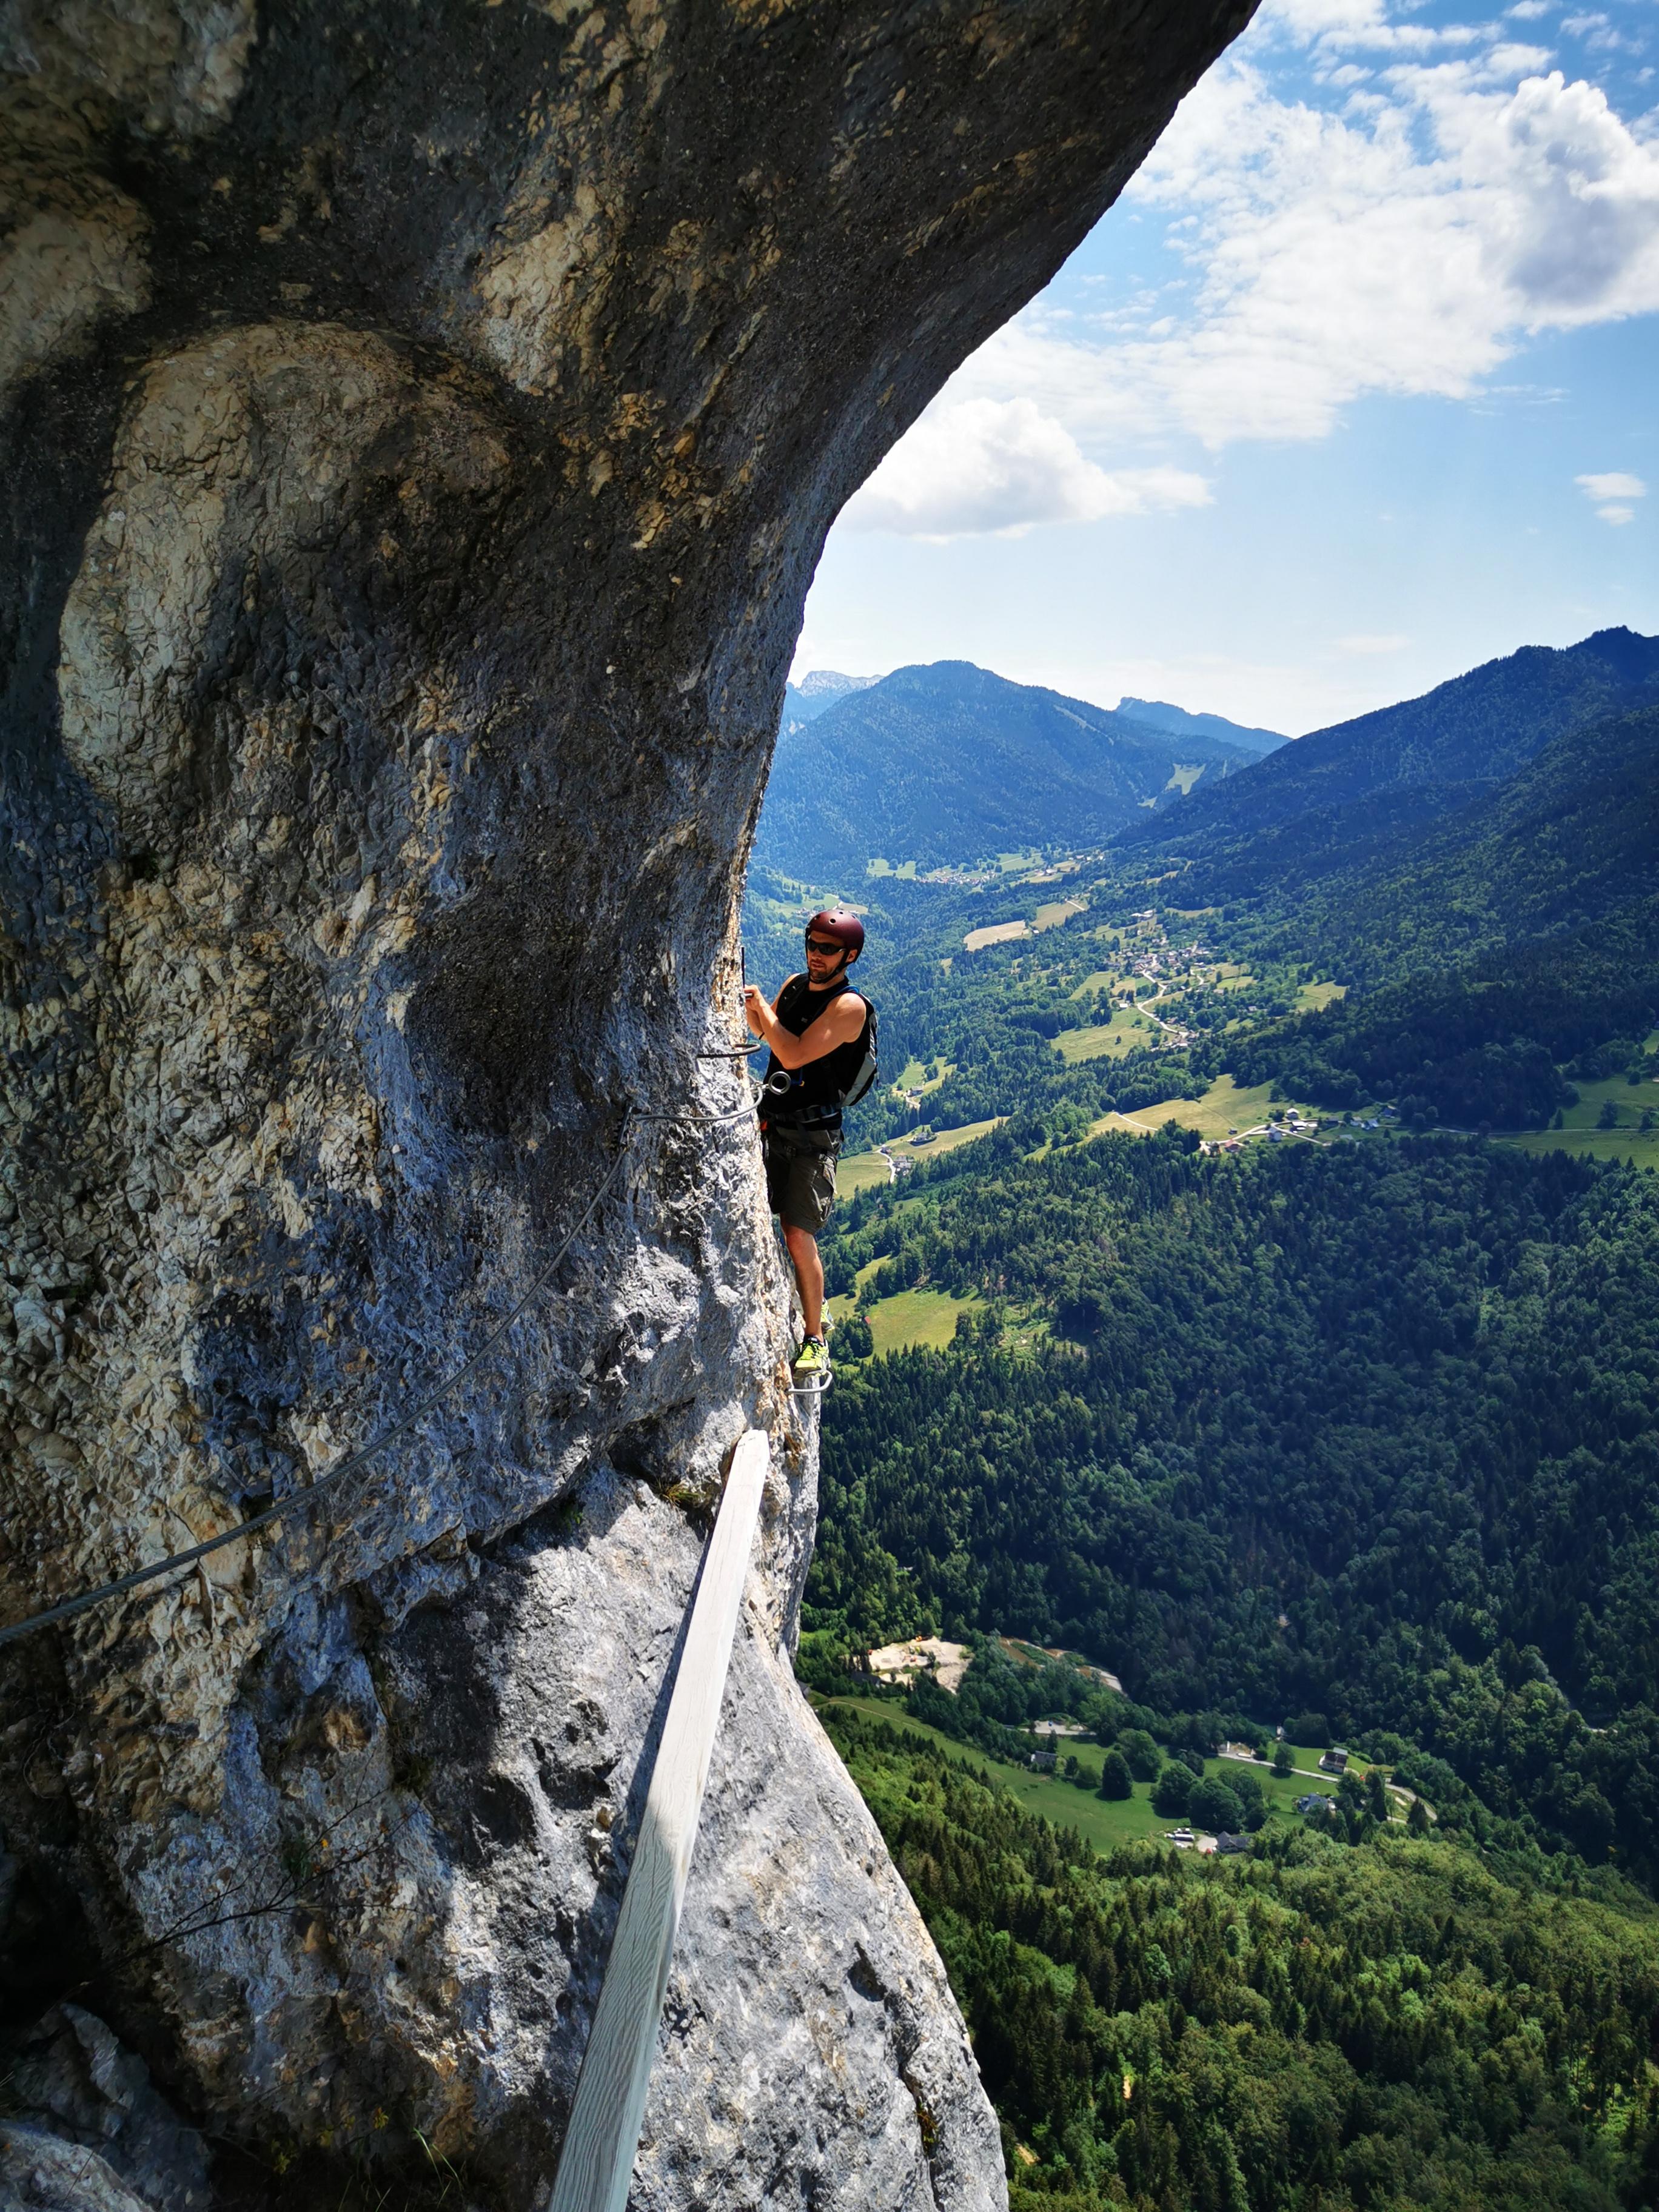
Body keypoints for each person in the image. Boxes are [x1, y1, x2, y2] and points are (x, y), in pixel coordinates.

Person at [743, 909, 873, 1383]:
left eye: (827, 949)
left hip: (815, 1140)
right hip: (774, 1123)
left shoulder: (850, 1007)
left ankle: (815, 1339)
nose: (815, 955)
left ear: (849, 956)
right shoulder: (797, 985)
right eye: (812, 944)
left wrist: (766, 1012)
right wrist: (758, 1013)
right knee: (760, 1215)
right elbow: (773, 1041)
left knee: (797, 1232)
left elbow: (795, 1052)